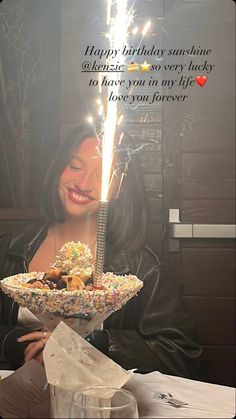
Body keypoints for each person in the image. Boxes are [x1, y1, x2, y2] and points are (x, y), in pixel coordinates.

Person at [0, 124, 203, 378]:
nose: (83, 183)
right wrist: (15, 344)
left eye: (102, 175)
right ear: (58, 169)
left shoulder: (142, 267)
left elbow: (182, 355)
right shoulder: (9, 249)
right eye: (75, 166)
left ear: (119, 188)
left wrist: (96, 345)